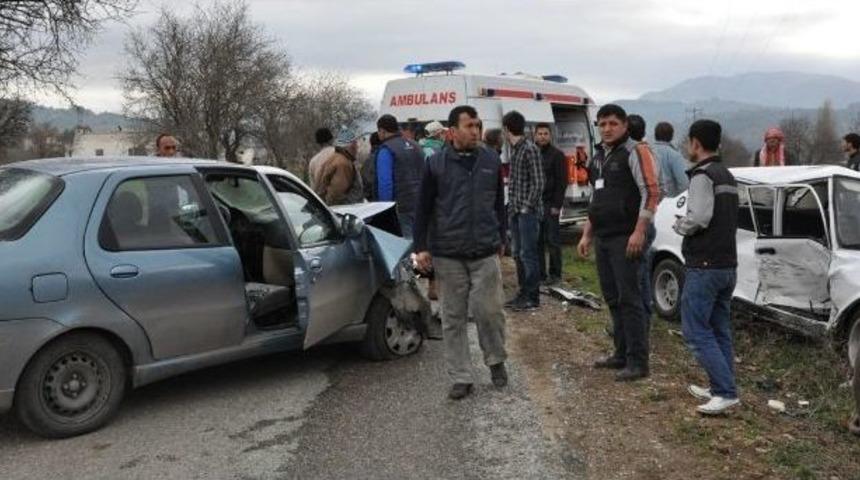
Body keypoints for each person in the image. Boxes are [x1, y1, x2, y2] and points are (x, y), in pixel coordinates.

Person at [413, 105, 508, 400]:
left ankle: (496, 361)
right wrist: (421, 247)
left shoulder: (491, 160)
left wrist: (501, 237)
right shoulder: (435, 164)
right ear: (452, 131)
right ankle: (461, 376)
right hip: (448, 253)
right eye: (469, 126)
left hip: (484, 250)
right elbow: (423, 208)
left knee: (489, 312)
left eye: (478, 126)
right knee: (453, 317)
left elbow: (499, 204)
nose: (476, 131)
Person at [577, 104, 660, 382]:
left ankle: (638, 362)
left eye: (613, 123)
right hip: (603, 236)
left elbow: (650, 193)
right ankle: (621, 354)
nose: (607, 129)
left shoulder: (636, 151)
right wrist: (587, 233)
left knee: (631, 299)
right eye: (602, 124)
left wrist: (639, 231)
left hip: (627, 236)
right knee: (612, 297)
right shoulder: (599, 156)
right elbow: (595, 199)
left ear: (624, 125)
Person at [673, 119, 741, 414]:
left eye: (689, 142)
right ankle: (721, 386)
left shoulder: (702, 175)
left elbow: (698, 217)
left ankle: (725, 392)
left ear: (695, 143)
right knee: (719, 328)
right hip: (727, 264)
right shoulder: (726, 173)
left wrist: (679, 225)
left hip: (704, 264)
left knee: (695, 330)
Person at [504, 110, 545, 311]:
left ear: (506, 129)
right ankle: (523, 293)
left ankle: (532, 296)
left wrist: (526, 208)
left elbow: (538, 183)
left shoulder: (529, 149)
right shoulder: (516, 150)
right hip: (515, 211)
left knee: (528, 254)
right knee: (518, 254)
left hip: (527, 213)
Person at [376, 114, 425, 238]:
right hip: (421, 203)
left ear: (382, 131)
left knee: (406, 247)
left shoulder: (386, 150)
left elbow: (385, 183)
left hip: (401, 208)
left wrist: (385, 211)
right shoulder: (416, 146)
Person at [534, 123, 566, 286]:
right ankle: (540, 274)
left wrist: (557, 205)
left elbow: (562, 182)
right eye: (539, 133)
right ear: (535, 136)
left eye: (545, 133)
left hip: (550, 204)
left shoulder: (557, 155)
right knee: (537, 241)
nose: (542, 136)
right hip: (535, 204)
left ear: (550, 136)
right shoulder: (532, 154)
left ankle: (555, 274)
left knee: (552, 241)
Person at [314, 129, 364, 206]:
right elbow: (337, 193)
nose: (357, 147)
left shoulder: (335, 158)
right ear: (350, 146)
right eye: (355, 144)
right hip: (342, 209)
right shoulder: (343, 163)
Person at [652, 122, 690, 198]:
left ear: (655, 135)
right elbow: (684, 184)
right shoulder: (674, 155)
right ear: (671, 136)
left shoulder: (646, 152)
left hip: (648, 203)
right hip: (668, 203)